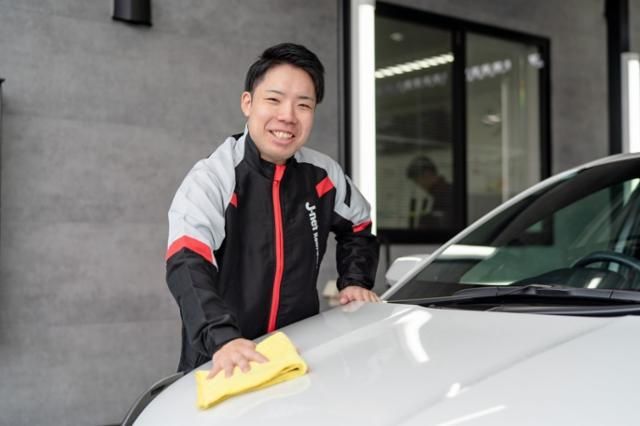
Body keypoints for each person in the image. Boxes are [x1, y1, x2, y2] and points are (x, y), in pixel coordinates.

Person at [165, 43, 380, 378]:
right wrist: (223, 338)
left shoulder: (323, 175)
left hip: (298, 355)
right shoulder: (214, 177)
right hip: (224, 360)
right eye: (274, 99)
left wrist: (354, 280)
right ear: (247, 103)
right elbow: (187, 261)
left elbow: (359, 225)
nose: (288, 116)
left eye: (303, 105)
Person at [406, 155, 454, 229]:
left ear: (427, 174)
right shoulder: (441, 193)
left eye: (417, 180)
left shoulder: (445, 194)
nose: (419, 185)